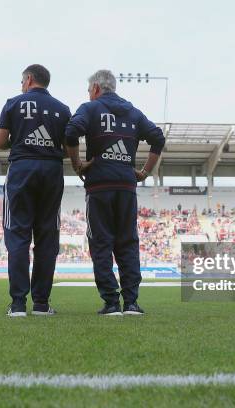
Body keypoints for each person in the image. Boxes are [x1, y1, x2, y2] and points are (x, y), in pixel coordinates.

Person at [65, 69, 165, 316]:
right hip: (126, 187)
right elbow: (158, 139)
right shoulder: (133, 113)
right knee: (128, 243)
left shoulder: (90, 109)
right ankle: (131, 302)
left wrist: (78, 165)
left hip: (99, 187)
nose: (89, 95)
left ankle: (111, 303)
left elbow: (70, 133)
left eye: (89, 91)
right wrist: (144, 171)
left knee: (101, 244)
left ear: (97, 88)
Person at [0, 64, 71, 317]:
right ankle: (41, 303)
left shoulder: (13, 103)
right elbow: (69, 144)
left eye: (21, 81)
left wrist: (19, 140)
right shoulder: (63, 109)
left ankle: (17, 304)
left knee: (18, 237)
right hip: (51, 171)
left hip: (22, 170)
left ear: (28, 80)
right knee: (47, 239)